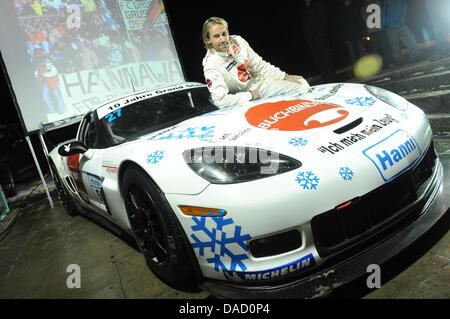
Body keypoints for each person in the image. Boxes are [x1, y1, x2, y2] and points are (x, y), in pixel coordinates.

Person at [202, 17, 310, 108]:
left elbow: (259, 65)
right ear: (208, 39)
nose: (223, 39)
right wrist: (250, 96)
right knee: (301, 86)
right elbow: (220, 101)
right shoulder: (210, 64)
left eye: (224, 34)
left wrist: (284, 76)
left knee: (301, 82)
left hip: (258, 81)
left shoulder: (237, 41)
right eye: (216, 36)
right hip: (248, 92)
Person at [300, 0, 336, 83]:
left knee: (325, 57)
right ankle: (325, 77)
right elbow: (305, 24)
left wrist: (321, 32)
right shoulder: (304, 9)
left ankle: (332, 77)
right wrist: (307, 37)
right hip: (311, 39)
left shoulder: (317, 5)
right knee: (318, 59)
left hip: (320, 37)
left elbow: (324, 18)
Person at [381, 0, 420, 65]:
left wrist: (402, 20)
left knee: (411, 40)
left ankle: (415, 57)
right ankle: (399, 62)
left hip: (401, 24)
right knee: (394, 46)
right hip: (390, 26)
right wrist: (384, 24)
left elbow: (404, 7)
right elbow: (383, 10)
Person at [338, 0, 366, 66]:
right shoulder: (341, 11)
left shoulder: (355, 8)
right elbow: (341, 26)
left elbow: (360, 21)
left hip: (358, 35)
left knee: (361, 52)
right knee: (352, 55)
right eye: (346, 1)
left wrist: (363, 33)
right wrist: (344, 38)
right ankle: (355, 70)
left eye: (349, 0)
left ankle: (364, 66)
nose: (348, 2)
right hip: (349, 37)